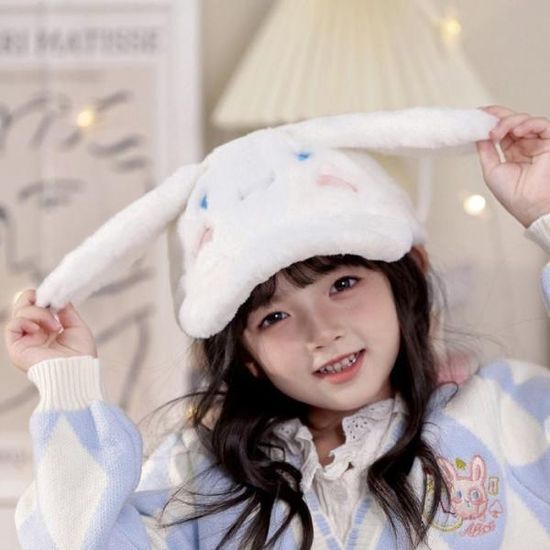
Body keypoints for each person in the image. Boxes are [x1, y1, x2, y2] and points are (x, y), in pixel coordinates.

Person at [5, 105, 550, 549]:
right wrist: (67, 385)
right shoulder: (196, 474)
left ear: (405, 277)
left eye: (342, 284)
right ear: (245, 352)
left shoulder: (506, 411)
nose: (322, 331)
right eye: (274, 316)